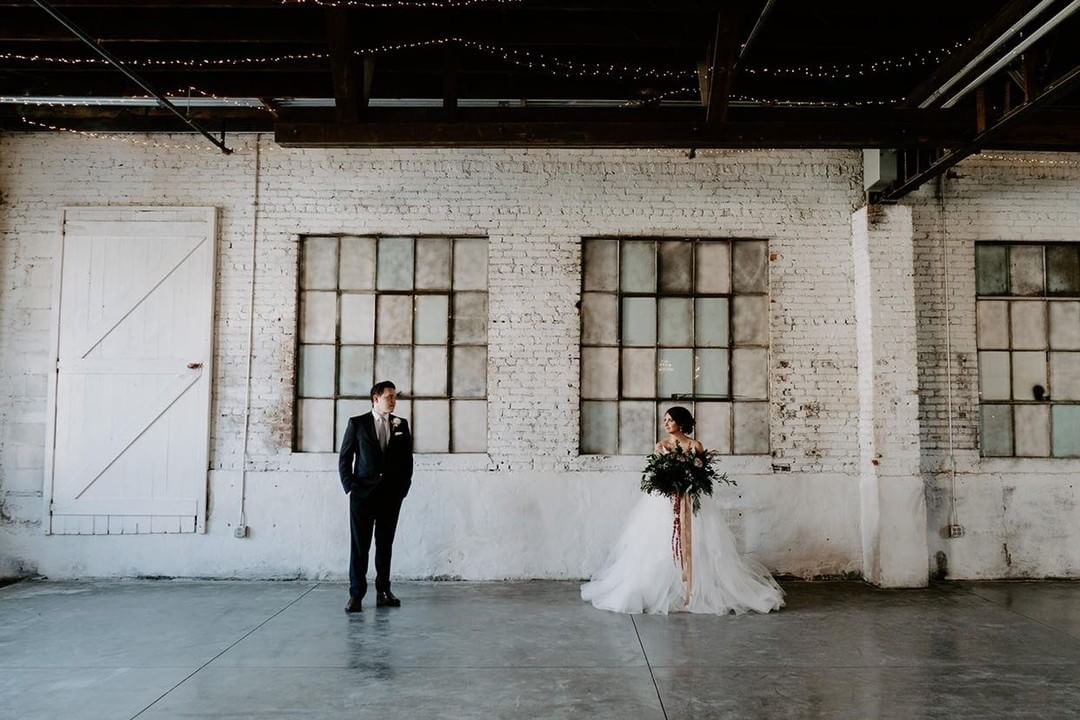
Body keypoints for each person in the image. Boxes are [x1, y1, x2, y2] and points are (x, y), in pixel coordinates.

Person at [581, 406, 784, 615]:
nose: (666, 424)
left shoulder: (695, 445)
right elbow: (657, 474)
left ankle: (693, 589)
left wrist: (689, 480)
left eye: (670, 420)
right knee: (659, 543)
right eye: (665, 420)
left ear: (680, 422)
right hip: (665, 501)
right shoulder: (661, 446)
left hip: (691, 498)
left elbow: (702, 473)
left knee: (699, 540)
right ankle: (665, 588)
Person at [338, 381, 413, 613]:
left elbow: (407, 460)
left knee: (385, 545)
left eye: (395, 397)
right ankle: (356, 595)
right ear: (375, 398)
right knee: (360, 547)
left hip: (391, 496)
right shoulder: (357, 423)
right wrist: (350, 487)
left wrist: (403, 489)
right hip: (362, 496)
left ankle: (383, 591)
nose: (393, 401)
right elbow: (345, 458)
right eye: (389, 397)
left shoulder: (401, 424)